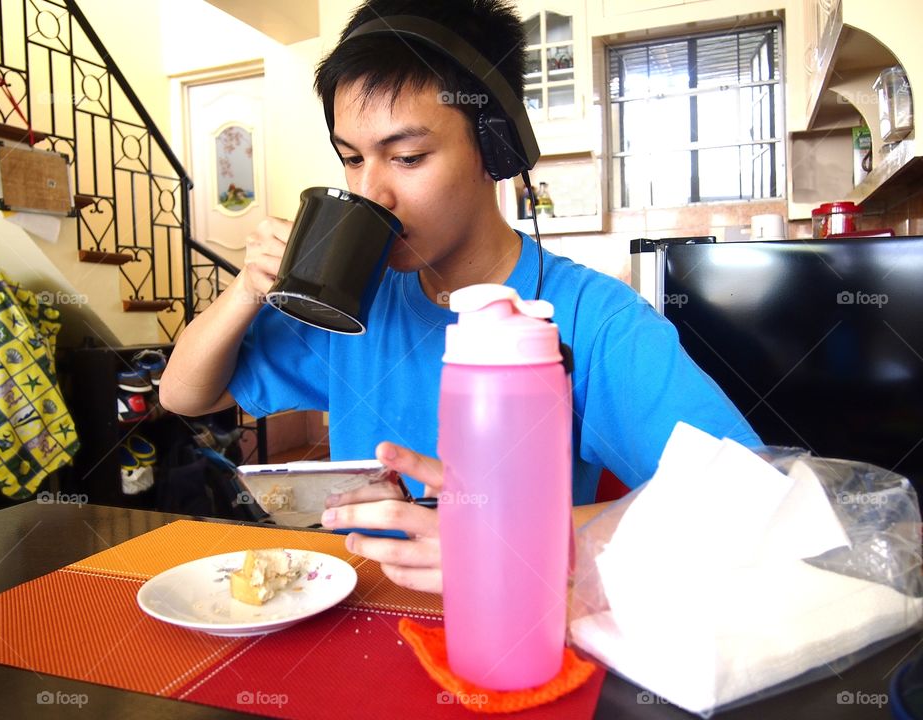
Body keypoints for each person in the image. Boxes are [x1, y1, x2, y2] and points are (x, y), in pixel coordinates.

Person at [159, 0, 761, 594]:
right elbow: (185, 394)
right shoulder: (353, 298)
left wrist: (518, 538)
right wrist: (247, 289)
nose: (373, 193)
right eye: (351, 159)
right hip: (361, 613)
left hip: (515, 625)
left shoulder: (591, 319)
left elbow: (748, 505)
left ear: (494, 150)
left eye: (408, 157)